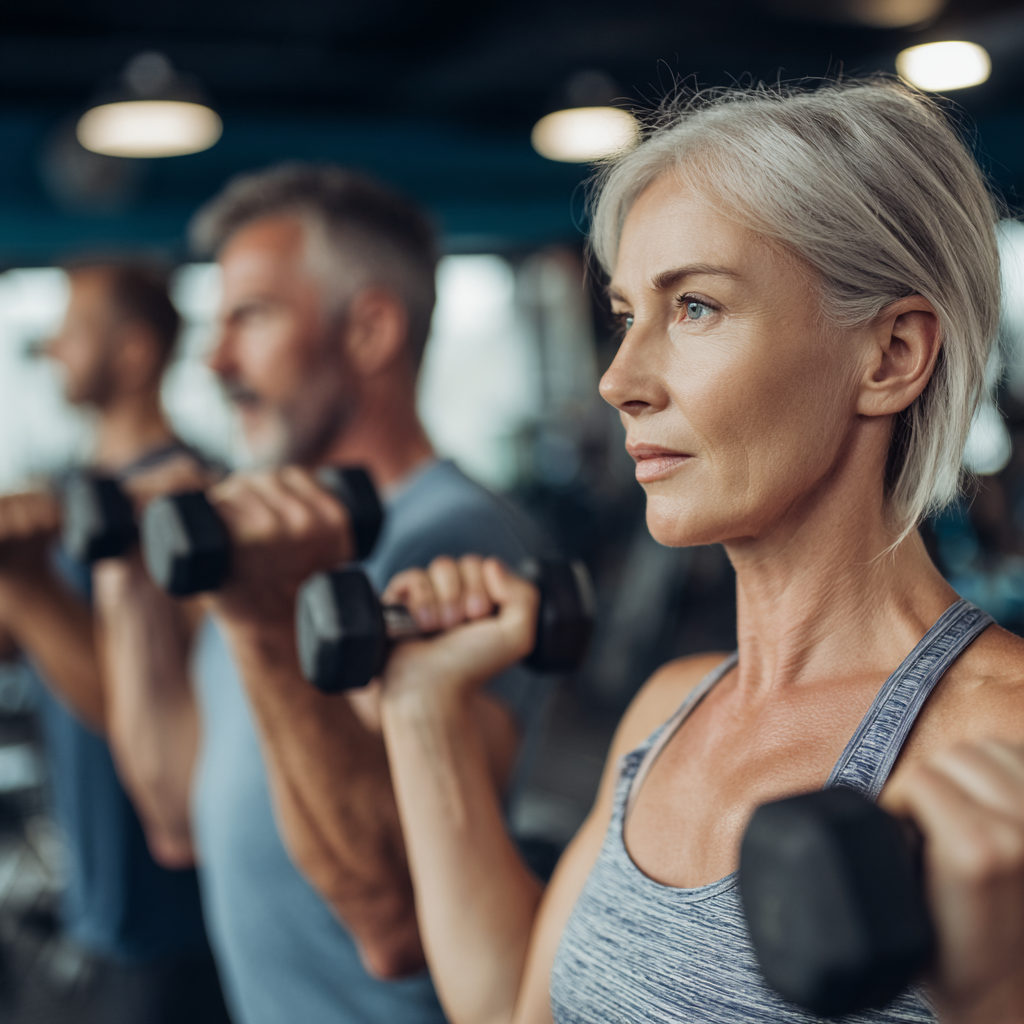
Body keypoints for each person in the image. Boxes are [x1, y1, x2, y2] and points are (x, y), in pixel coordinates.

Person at [369, 79, 1024, 1024]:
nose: (618, 379)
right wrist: (423, 709)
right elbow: (515, 1009)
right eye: (628, 314)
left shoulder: (1002, 741)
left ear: (890, 356)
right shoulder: (667, 709)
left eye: (697, 308)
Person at [95, 164, 552, 1024]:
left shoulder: (451, 540)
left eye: (252, 316)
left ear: (370, 330)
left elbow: (395, 917)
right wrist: (128, 574)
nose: (216, 359)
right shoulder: (268, 545)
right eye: (217, 323)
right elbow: (176, 818)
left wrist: (264, 619)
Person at [0, 263, 230, 1022]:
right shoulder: (67, 494)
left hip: (172, 902)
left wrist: (24, 585)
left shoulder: (191, 503)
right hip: (97, 884)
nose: (52, 349)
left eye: (73, 332)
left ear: (133, 352)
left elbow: (144, 708)